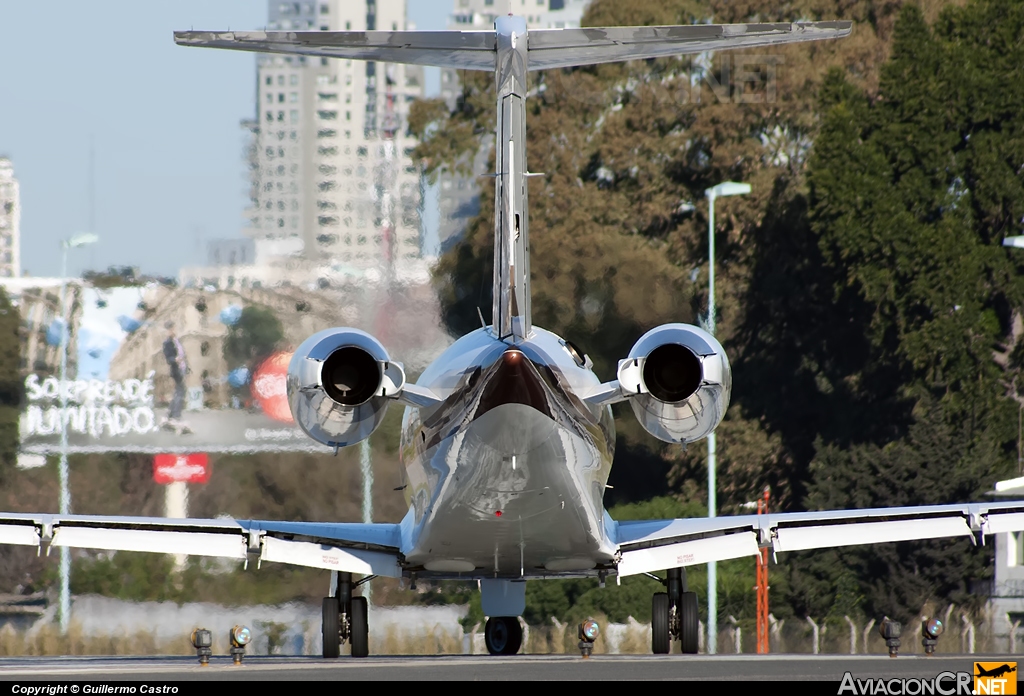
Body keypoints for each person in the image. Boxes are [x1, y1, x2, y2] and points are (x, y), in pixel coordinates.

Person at [162, 321, 189, 430]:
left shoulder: (176, 340)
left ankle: (170, 415)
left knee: (178, 391)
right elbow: (168, 358)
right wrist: (175, 359)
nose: (173, 331)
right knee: (180, 391)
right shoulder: (167, 342)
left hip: (181, 368)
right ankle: (175, 416)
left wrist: (186, 367)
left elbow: (182, 354)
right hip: (176, 369)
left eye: (173, 328)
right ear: (168, 330)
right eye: (171, 329)